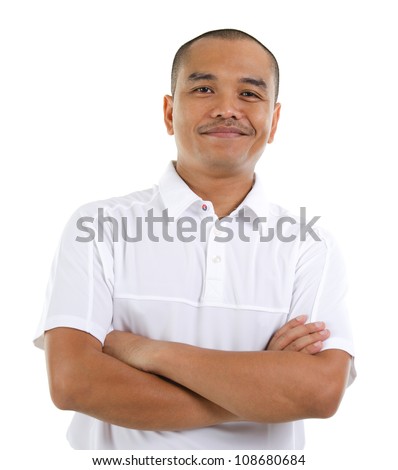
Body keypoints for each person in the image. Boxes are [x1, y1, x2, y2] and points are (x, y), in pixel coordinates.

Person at [34, 28, 355, 450]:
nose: (227, 109)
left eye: (250, 95)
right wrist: (266, 388)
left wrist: (148, 352)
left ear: (273, 121)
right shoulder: (98, 226)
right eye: (204, 88)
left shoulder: (309, 243)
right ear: (169, 113)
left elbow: (318, 392)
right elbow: (75, 384)